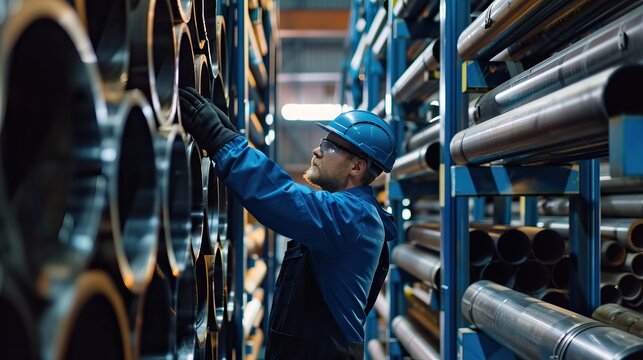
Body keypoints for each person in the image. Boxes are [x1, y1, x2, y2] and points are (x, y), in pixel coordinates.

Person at [179, 87, 397, 359]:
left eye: (330, 146)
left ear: (357, 167)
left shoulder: (354, 217)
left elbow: (281, 197)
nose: (317, 150)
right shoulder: (350, 214)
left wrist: (222, 141)